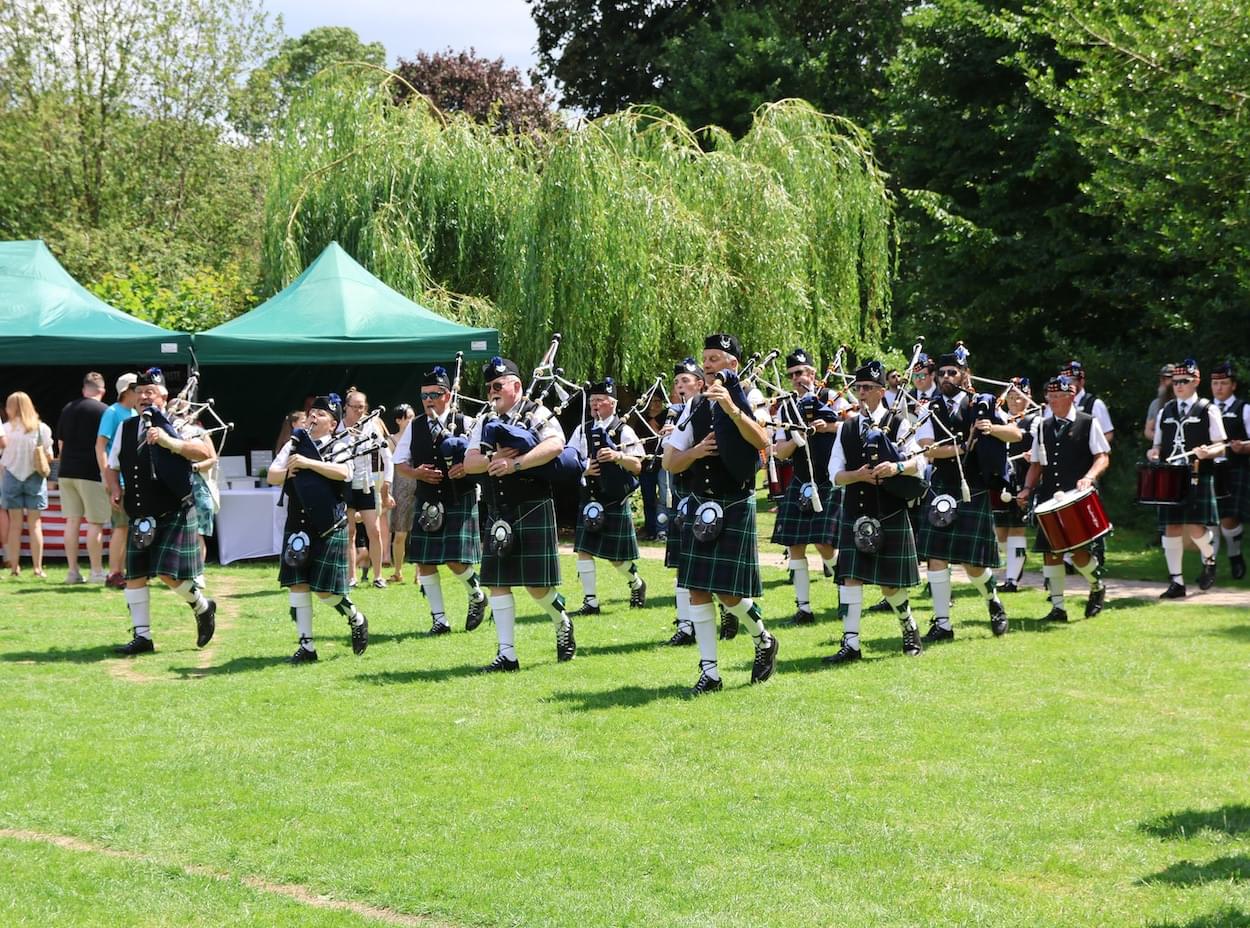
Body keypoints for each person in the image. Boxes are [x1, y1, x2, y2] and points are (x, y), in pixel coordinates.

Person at [663, 333, 777, 695]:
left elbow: (762, 442)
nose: (707, 364)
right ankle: (709, 673)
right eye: (705, 358)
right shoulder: (694, 407)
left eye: (715, 359)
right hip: (702, 504)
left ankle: (763, 637)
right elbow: (669, 460)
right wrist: (695, 451)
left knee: (727, 593)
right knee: (696, 588)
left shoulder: (751, 400)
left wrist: (730, 407)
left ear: (732, 365)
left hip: (735, 502)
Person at [465, 356, 576, 672]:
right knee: (498, 583)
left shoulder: (537, 413)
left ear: (517, 385)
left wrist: (516, 463)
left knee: (536, 587)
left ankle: (561, 620)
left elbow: (555, 446)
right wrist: (494, 457)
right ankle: (507, 654)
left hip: (532, 505)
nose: (492, 392)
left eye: (498, 385)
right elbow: (468, 462)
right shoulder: (484, 419)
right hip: (499, 509)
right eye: (489, 387)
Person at [102, 369, 216, 654]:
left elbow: (205, 453)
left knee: (167, 574)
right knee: (135, 575)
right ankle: (143, 637)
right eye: (139, 393)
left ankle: (203, 607)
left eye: (149, 392)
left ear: (163, 396)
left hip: (173, 509)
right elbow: (112, 464)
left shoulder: (181, 422)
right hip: (140, 511)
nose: (143, 397)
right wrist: (115, 487)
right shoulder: (126, 428)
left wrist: (170, 442)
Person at [824, 360, 928, 664]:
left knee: (890, 585)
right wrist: (857, 475)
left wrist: (895, 467)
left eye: (868, 388)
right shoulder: (847, 428)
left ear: (882, 391)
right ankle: (851, 644)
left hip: (891, 512)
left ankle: (909, 627)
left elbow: (919, 463)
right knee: (851, 578)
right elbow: (834, 475)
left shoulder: (900, 423)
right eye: (859, 388)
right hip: (857, 513)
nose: (862, 393)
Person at [914, 348, 1020, 640]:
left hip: (972, 488)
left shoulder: (981, 403)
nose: (947, 377)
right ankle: (942, 624)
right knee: (936, 557)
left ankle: (993, 601)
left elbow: (1016, 435)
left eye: (953, 372)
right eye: (943, 373)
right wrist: (962, 448)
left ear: (965, 374)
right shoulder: (929, 407)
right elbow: (927, 449)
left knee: (973, 565)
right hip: (941, 487)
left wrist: (992, 427)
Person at [267, 392, 368, 662]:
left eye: (321, 414)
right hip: (298, 524)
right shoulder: (294, 443)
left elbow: (345, 473)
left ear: (333, 423)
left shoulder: (340, 444)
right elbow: (272, 476)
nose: (314, 417)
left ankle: (356, 618)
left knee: (324, 592)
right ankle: (306, 646)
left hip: (327, 524)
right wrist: (290, 469)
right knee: (297, 584)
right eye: (312, 413)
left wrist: (308, 462)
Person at [394, 370, 488, 634]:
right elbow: (399, 462)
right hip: (428, 500)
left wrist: (467, 468)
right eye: (424, 396)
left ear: (447, 395)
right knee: (425, 563)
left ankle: (477, 594)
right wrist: (416, 473)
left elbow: (484, 458)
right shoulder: (415, 426)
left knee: (455, 560)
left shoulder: (466, 421)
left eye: (433, 395)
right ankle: (439, 620)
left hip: (459, 497)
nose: (428, 400)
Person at [1017, 375, 1111, 620]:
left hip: (1076, 497)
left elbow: (1102, 457)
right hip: (1050, 498)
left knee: (1079, 553)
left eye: (1059, 396)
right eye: (1051, 397)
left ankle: (1097, 586)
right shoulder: (1043, 426)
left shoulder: (1088, 422)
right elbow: (1036, 464)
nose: (1054, 401)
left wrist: (1089, 477)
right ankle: (1058, 608)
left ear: (1071, 396)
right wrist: (1027, 488)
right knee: (1052, 553)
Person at [770, 347, 840, 625]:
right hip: (801, 481)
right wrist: (796, 439)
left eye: (801, 372)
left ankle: (844, 590)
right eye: (792, 375)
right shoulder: (786, 407)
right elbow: (779, 451)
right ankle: (804, 609)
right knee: (795, 544)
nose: (797, 378)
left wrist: (827, 427)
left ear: (812, 373)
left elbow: (853, 427)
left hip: (827, 479)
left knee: (824, 544)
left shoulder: (831, 398)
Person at [568, 378, 648, 615]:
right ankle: (590, 601)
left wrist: (617, 456)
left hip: (614, 499)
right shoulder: (581, 430)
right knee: (584, 550)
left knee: (615, 558)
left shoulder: (624, 431)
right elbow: (568, 458)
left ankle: (636, 583)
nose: (594, 405)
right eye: (592, 401)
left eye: (600, 401)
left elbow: (638, 465)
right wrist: (583, 468)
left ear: (612, 404)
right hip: (590, 499)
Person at [1147, 359, 1226, 597]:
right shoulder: (1165, 411)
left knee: (1194, 527)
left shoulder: (1208, 409)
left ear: (1196, 382)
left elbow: (1221, 446)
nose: (1178, 386)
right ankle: (1177, 583)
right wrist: (1153, 453)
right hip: (1170, 476)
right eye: (1175, 382)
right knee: (1170, 527)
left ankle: (1209, 559)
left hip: (1198, 474)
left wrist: (1207, 452)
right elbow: (1157, 445)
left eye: (1184, 381)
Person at [661, 358, 705, 646]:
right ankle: (685, 625)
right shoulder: (674, 412)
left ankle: (727, 614)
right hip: (680, 491)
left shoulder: (706, 412)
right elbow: (667, 457)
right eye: (676, 382)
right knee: (681, 562)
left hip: (704, 492)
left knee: (707, 563)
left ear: (700, 384)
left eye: (685, 381)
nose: (679, 386)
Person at [55, 372, 110, 583]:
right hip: (90, 472)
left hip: (66, 470)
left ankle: (72, 572)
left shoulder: (68, 408)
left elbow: (60, 443)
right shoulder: (104, 411)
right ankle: (96, 572)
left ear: (84, 389)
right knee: (95, 522)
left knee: (72, 522)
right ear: (102, 391)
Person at [342, 388, 392, 588]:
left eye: (362, 407)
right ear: (346, 407)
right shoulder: (338, 428)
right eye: (354, 407)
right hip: (346, 484)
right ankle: (351, 577)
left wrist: (387, 481)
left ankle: (378, 576)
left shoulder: (371, 426)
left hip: (366, 484)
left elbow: (387, 455)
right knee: (350, 532)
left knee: (375, 530)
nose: (358, 411)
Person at [2, 391, 55, 578]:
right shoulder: (41, 428)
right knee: (35, 524)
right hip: (35, 477)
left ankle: (14, 567)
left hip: (11, 476)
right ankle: (37, 568)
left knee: (15, 525)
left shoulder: (6, 430)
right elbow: (49, 456)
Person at [96, 373, 139, 588]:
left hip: (132, 479)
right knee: (121, 527)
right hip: (118, 480)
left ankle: (127, 571)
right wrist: (108, 478)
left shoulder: (133, 412)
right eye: (136, 388)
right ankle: (114, 573)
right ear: (126, 390)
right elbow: (100, 445)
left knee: (131, 528)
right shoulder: (112, 412)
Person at [993, 378, 1036, 592]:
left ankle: (1012, 579)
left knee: (1017, 529)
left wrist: (1033, 455)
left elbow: (1040, 443)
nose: (1014, 400)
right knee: (1001, 531)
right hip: (1002, 479)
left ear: (1028, 397)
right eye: (1010, 396)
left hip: (1023, 477)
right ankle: (1016, 561)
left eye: (1018, 396)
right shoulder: (1001, 418)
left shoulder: (1035, 419)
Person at [1210, 362, 1250, 579]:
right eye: (1215, 383)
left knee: (1228, 520)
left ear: (1233, 385)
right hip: (1210, 470)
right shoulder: (1205, 409)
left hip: (1235, 468)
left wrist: (1244, 447)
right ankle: (1210, 568)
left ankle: (1235, 556)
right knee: (1211, 521)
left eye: (1224, 383)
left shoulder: (1244, 409)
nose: (1219, 388)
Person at [386, 404, 417, 584]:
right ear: (399, 420)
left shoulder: (419, 437)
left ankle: (419, 574)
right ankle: (398, 571)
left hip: (419, 486)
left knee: (421, 531)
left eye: (413, 417)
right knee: (400, 534)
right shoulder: (391, 441)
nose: (412, 421)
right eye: (408, 418)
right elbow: (388, 469)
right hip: (400, 489)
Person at [638, 391, 669, 540]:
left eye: (659, 401)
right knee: (648, 497)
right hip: (646, 465)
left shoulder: (667, 417)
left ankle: (663, 529)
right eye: (654, 401)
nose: (656, 404)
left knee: (665, 497)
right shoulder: (641, 420)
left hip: (663, 463)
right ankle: (650, 529)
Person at [1143, 364, 1174, 445]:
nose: (1163, 381)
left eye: (1168, 378)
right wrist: (1161, 439)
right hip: (1160, 451)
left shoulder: (1185, 403)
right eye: (1162, 378)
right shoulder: (1155, 404)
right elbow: (1148, 431)